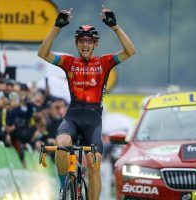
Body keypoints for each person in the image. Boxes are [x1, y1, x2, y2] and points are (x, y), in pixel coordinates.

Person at [38, 5, 135, 200]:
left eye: (89, 41)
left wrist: (115, 27)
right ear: (76, 43)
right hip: (73, 116)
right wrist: (57, 27)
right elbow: (43, 53)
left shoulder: (104, 62)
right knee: (62, 143)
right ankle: (64, 187)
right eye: (81, 41)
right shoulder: (69, 62)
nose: (85, 44)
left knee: (94, 164)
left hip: (93, 120)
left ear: (95, 44)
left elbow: (130, 51)